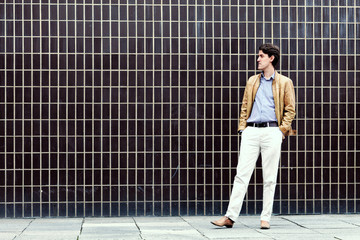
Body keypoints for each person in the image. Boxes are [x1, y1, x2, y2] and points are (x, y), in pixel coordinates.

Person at [211, 43, 296, 229]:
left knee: (269, 177)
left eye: (261, 56)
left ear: (271, 58)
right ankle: (230, 217)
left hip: (272, 131)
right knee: (241, 175)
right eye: (258, 56)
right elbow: (244, 106)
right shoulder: (252, 81)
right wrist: (243, 128)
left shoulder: (284, 82)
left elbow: (290, 110)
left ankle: (265, 218)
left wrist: (281, 131)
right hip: (251, 132)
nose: (258, 59)